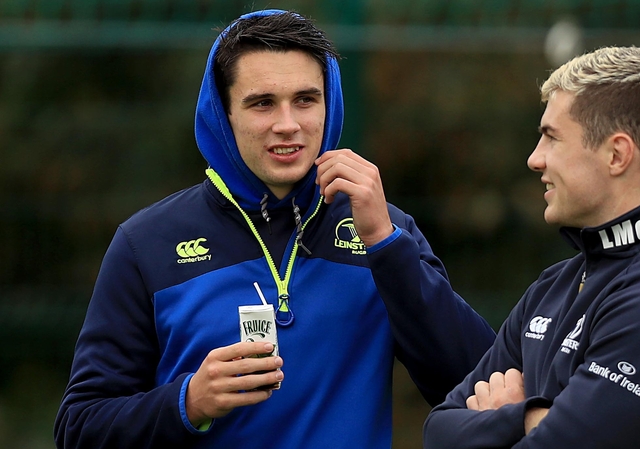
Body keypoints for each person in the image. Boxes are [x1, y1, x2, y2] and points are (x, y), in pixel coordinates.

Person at [54, 9, 495, 449]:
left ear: (331, 104)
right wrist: (188, 403)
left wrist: (386, 244)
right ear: (222, 113)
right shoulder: (146, 243)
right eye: (263, 103)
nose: (288, 124)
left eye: (306, 100)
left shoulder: (384, 231)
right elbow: (80, 428)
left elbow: (480, 386)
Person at [423, 46, 640, 448]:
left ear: (617, 154)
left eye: (551, 138)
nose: (534, 159)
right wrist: (524, 418)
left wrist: (501, 420)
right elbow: (438, 432)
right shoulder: (553, 285)